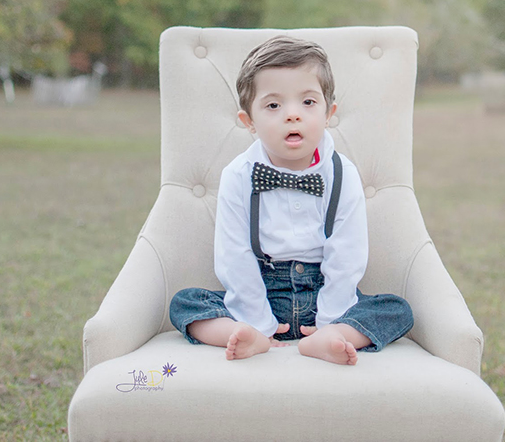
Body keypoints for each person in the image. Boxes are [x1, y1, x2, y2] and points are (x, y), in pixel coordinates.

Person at [169, 35, 413, 365]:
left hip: (323, 292)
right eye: (273, 105)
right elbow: (234, 255)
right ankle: (246, 336)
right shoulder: (238, 175)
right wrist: (258, 320)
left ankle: (332, 337)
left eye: (308, 103)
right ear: (249, 122)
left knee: (397, 310)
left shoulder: (342, 173)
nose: (292, 115)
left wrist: (330, 319)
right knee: (186, 303)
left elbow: (347, 252)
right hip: (261, 290)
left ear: (329, 113)